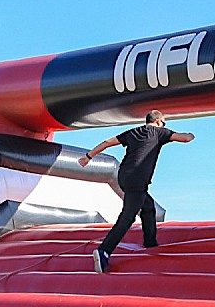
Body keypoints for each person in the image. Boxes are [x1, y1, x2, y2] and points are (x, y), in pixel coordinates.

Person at [80, 110, 195, 273]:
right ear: (159, 122)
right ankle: (104, 250)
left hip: (123, 177)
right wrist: (190, 134)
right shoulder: (159, 132)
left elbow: (107, 142)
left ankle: (150, 243)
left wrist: (88, 156)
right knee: (128, 216)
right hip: (137, 179)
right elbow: (185, 138)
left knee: (148, 207)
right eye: (164, 123)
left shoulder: (133, 132)